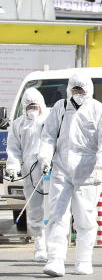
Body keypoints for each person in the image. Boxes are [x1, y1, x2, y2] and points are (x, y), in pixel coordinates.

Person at [36, 73, 102, 277]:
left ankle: (83, 260)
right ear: (69, 89)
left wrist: (100, 167)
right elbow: (48, 136)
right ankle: (55, 259)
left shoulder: (99, 111)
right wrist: (44, 157)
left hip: (88, 172)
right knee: (57, 215)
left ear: (89, 91)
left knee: (85, 218)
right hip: (61, 168)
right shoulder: (59, 109)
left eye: (82, 91)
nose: (78, 94)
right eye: (75, 90)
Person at [4, 89, 50, 262]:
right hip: (29, 172)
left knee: (53, 207)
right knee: (35, 209)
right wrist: (13, 167)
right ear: (24, 107)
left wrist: (49, 161)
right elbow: (14, 148)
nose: (32, 109)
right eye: (29, 106)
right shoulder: (18, 125)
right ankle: (39, 245)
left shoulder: (49, 121)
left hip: (49, 170)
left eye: (35, 106)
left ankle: (53, 245)